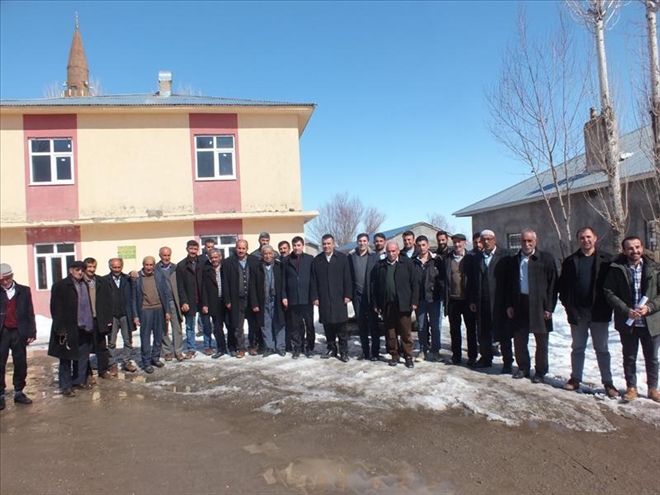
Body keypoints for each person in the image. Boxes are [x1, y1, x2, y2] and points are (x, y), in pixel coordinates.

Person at [558, 227, 618, 397]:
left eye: (588, 237)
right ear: (578, 240)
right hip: (578, 313)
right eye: (582, 238)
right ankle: (575, 379)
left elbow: (614, 285)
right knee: (577, 347)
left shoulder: (607, 260)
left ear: (595, 238)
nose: (586, 240)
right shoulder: (570, 261)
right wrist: (569, 307)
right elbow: (563, 287)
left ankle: (608, 383)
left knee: (602, 349)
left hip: (599, 312)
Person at [603, 236, 660, 403]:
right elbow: (608, 291)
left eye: (637, 247)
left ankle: (653, 388)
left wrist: (649, 307)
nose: (634, 251)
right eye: (630, 248)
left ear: (642, 247)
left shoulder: (655, 268)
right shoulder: (617, 269)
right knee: (629, 357)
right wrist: (625, 310)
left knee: (652, 358)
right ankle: (631, 387)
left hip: (651, 322)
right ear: (624, 251)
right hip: (628, 322)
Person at [505, 229, 558, 383]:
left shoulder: (546, 259)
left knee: (541, 341)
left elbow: (553, 285)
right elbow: (509, 285)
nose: (526, 244)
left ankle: (540, 372)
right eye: (524, 241)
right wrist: (509, 305)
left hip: (540, 305)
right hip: (519, 303)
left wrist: (549, 307)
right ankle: (523, 367)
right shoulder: (514, 260)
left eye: (530, 241)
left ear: (536, 241)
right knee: (519, 339)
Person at [48, 261, 94, 397]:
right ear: (70, 270)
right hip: (68, 327)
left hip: (85, 326)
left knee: (83, 355)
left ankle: (78, 381)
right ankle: (66, 385)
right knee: (66, 357)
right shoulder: (60, 286)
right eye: (77, 270)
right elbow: (56, 308)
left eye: (82, 270)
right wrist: (60, 329)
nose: (80, 272)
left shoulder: (85, 284)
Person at [468, 230, 510, 370]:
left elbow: (510, 280)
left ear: (494, 240)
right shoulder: (477, 258)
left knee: (503, 332)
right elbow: (473, 280)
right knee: (483, 331)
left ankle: (507, 361)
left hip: (500, 301)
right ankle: (486, 357)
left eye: (489, 239)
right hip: (482, 300)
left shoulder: (505, 256)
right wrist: (473, 300)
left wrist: (509, 302)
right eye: (483, 240)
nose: (486, 242)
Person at [373, 241, 419, 368]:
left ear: (398, 251)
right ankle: (394, 354)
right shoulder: (380, 265)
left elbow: (415, 283)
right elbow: (374, 286)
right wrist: (376, 303)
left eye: (393, 251)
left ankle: (408, 356)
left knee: (405, 331)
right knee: (390, 331)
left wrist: (414, 301)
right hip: (387, 304)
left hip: (404, 303)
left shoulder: (407, 263)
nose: (391, 254)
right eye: (388, 251)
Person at [310, 234, 352, 362]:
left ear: (333, 244)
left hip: (339, 297)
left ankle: (343, 351)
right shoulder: (317, 260)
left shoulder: (342, 258)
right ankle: (331, 348)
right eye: (324, 244)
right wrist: (315, 297)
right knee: (328, 326)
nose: (326, 246)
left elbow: (348, 278)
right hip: (324, 298)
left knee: (341, 327)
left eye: (329, 243)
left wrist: (348, 295)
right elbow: (313, 281)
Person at [0, 263, 36, 410]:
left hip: (18, 331)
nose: (5, 282)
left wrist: (31, 332)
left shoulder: (23, 291)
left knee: (20, 363)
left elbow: (29, 312)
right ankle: (0, 394)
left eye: (7, 279)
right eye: (2, 280)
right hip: (2, 332)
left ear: (12, 276)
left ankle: (19, 392)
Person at [131, 256, 172, 373]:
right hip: (145, 310)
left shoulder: (159, 275)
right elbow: (133, 298)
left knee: (158, 336)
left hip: (159, 309)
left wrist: (167, 311)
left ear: (154, 265)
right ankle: (146, 362)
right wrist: (135, 315)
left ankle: (155, 358)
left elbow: (165, 293)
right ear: (143, 265)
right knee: (145, 337)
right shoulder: (137, 277)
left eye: (151, 265)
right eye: (146, 265)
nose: (149, 267)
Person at [443, 233, 478, 366]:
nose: (457, 245)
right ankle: (456, 355)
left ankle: (472, 356)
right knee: (454, 330)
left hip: (467, 300)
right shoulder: (448, 259)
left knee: (471, 329)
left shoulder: (471, 258)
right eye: (455, 242)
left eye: (459, 242)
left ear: (465, 243)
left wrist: (473, 299)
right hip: (453, 300)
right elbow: (443, 278)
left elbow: (474, 280)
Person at [223, 239, 260, 358]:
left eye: (243, 248)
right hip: (236, 299)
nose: (241, 250)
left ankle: (253, 346)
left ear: (247, 249)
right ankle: (241, 348)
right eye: (239, 248)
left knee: (253, 324)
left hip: (251, 299)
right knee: (237, 326)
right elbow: (225, 282)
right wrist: (227, 300)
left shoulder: (254, 261)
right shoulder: (228, 262)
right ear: (235, 248)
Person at [282, 236, 315, 359]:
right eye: (294, 245)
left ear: (303, 245)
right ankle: (297, 347)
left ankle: (309, 347)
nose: (296, 248)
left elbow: (314, 279)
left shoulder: (310, 259)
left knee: (309, 325)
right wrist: (284, 296)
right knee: (295, 326)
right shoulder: (286, 260)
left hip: (307, 298)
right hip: (293, 298)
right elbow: (283, 280)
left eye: (299, 245)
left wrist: (314, 296)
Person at [348, 233, 379, 361]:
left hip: (370, 296)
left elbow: (378, 277)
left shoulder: (374, 257)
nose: (362, 243)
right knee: (362, 326)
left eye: (364, 241)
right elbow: (348, 276)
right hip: (358, 296)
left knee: (373, 325)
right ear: (357, 242)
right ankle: (365, 352)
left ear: (368, 242)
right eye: (360, 241)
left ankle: (375, 352)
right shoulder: (351, 257)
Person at [250, 245, 286, 357]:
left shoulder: (279, 266)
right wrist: (254, 303)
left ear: (273, 254)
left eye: (270, 253)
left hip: (277, 299)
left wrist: (284, 297)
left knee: (279, 323)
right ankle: (269, 347)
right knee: (266, 324)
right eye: (265, 253)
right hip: (263, 300)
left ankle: (280, 347)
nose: (268, 256)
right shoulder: (257, 268)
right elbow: (252, 286)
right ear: (262, 255)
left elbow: (284, 283)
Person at [103, 258, 138, 372]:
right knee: (111, 342)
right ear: (110, 267)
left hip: (125, 314)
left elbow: (134, 291)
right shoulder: (104, 280)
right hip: (112, 315)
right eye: (114, 267)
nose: (117, 270)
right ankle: (112, 363)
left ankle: (127, 361)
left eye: (119, 267)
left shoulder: (127, 279)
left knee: (128, 340)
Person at [83, 257, 113, 381]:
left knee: (102, 347)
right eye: (89, 267)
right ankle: (87, 373)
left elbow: (108, 301)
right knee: (85, 348)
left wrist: (108, 319)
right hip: (86, 320)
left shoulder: (101, 281)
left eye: (94, 267)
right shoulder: (80, 282)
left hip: (99, 319)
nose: (92, 269)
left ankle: (103, 370)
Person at [413, 235, 441, 362]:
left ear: (428, 246)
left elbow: (442, 279)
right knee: (421, 326)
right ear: (416, 246)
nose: (421, 248)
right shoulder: (413, 262)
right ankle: (423, 350)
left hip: (434, 298)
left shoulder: (436, 260)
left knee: (435, 327)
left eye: (423, 245)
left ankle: (436, 351)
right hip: (420, 300)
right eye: (419, 245)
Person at [156, 247, 186, 361]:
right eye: (164, 255)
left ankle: (178, 351)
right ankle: (167, 351)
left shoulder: (175, 268)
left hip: (174, 301)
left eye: (168, 255)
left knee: (177, 327)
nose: (166, 258)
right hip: (161, 302)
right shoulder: (155, 269)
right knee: (163, 328)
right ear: (160, 256)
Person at [177, 240, 205, 358]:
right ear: (187, 249)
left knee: (206, 325)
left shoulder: (203, 262)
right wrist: (184, 301)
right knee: (190, 326)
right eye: (191, 249)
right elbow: (180, 286)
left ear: (198, 250)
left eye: (195, 249)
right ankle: (191, 348)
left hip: (202, 298)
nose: (193, 251)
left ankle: (208, 346)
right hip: (189, 300)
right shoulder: (181, 265)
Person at [201, 248, 229, 358]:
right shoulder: (206, 270)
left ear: (220, 257)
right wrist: (205, 304)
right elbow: (204, 288)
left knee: (230, 325)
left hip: (227, 301)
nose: (214, 259)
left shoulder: (226, 268)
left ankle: (232, 347)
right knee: (217, 327)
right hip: (214, 302)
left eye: (216, 257)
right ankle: (221, 348)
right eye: (211, 258)